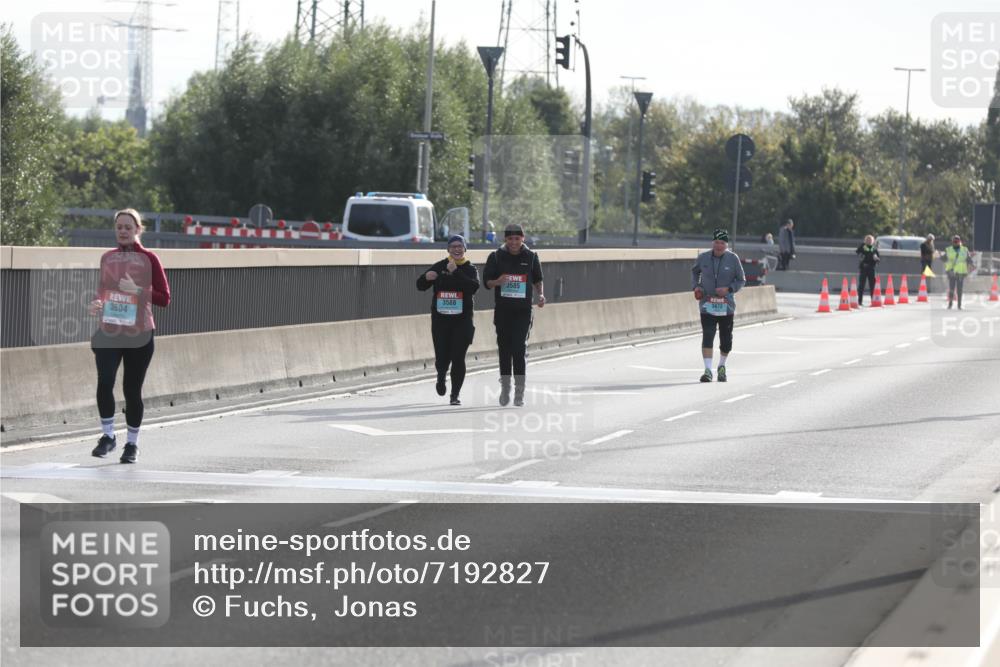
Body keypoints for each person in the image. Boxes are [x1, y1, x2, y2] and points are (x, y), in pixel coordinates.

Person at [87, 209, 171, 463]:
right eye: (119, 227)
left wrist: (138, 290)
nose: (123, 231)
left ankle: (132, 444)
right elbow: (103, 291)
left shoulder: (150, 259)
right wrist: (97, 304)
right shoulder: (108, 258)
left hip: (140, 333)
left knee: (131, 390)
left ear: (138, 229)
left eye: (128, 227)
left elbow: (164, 299)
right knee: (105, 381)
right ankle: (108, 436)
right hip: (110, 331)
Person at [483, 223, 545, 406]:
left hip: (523, 311)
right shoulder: (495, 256)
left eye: (517, 239)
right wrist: (498, 281)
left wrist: (541, 294)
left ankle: (519, 391)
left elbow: (538, 279)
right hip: (503, 311)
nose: (514, 242)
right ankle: (505, 388)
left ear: (523, 238)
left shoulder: (532, 257)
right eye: (510, 239)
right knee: (504, 350)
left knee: (518, 349)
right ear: (505, 240)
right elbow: (486, 282)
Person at [416, 235, 480, 405]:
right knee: (442, 357)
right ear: (448, 250)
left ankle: (455, 395)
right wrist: (425, 278)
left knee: (458, 357)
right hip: (441, 320)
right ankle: (441, 376)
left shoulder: (470, 268)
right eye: (453, 247)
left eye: (460, 246)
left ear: (465, 249)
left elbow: (473, 287)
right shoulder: (439, 266)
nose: (457, 249)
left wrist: (456, 272)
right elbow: (420, 286)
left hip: (463, 320)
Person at [691, 229, 746, 383]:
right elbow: (695, 272)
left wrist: (728, 289)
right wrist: (696, 287)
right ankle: (708, 370)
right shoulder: (703, 258)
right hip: (707, 304)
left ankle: (721, 366)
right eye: (716, 242)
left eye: (722, 243)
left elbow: (741, 280)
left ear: (726, 245)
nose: (719, 245)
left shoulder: (733, 259)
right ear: (712, 243)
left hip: (726, 305)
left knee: (726, 339)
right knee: (708, 335)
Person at [941, 234, 972, 309]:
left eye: (957, 241)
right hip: (951, 272)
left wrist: (970, 267)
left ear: (959, 242)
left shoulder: (965, 249)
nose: (955, 243)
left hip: (961, 272)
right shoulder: (949, 249)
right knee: (951, 289)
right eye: (954, 241)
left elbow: (969, 260)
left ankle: (959, 305)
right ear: (952, 242)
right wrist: (941, 256)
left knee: (959, 289)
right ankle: (950, 304)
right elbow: (943, 259)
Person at [855, 234, 880, 306]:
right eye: (867, 240)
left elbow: (878, 259)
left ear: (873, 241)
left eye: (870, 240)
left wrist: (877, 259)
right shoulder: (863, 246)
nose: (869, 241)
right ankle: (860, 301)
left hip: (871, 268)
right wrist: (861, 255)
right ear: (865, 240)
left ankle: (873, 300)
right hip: (863, 268)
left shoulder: (874, 248)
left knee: (872, 285)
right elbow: (857, 252)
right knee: (861, 285)